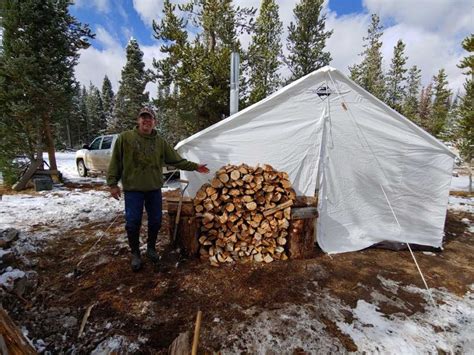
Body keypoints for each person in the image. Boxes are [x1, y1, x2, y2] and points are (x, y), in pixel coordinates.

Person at [107, 107, 209, 272]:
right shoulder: (125, 138)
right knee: (133, 222)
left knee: (156, 221)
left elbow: (176, 160)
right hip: (133, 190)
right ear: (138, 120)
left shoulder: (160, 142)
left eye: (150, 118)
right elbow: (116, 162)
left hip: (154, 189)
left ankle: (151, 248)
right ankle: (135, 254)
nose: (146, 121)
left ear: (155, 122)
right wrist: (112, 184)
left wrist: (195, 166)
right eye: (143, 118)